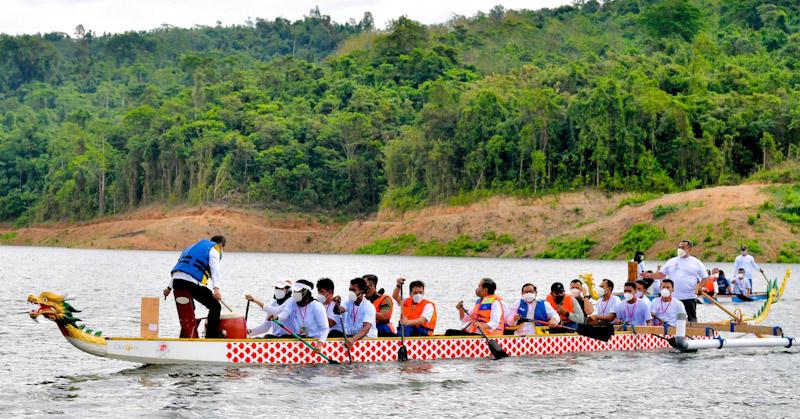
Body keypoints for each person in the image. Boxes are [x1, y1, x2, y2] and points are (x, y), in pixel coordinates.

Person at [163, 235, 226, 338]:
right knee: (215, 306)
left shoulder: (193, 247)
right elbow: (215, 270)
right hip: (189, 283)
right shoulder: (215, 249)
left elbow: (182, 268)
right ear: (221, 245)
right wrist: (216, 289)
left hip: (177, 283)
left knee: (190, 307)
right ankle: (212, 336)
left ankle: (187, 334)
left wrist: (168, 288)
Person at [642, 240, 709, 322]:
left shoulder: (696, 262)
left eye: (683, 247)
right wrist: (649, 275)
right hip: (673, 297)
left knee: (691, 320)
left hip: (689, 297)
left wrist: (699, 287)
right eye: (679, 247)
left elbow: (705, 277)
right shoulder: (671, 261)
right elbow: (661, 274)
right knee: (673, 319)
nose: (680, 249)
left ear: (689, 249)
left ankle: (691, 334)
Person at [273, 280, 330, 352]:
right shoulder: (293, 302)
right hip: (300, 337)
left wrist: (320, 344)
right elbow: (285, 314)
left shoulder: (316, 306)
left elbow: (325, 328)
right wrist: (276, 317)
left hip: (315, 339)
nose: (295, 294)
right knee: (272, 337)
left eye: (297, 292)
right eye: (294, 292)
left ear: (305, 292)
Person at [337, 277, 377, 349]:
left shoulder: (369, 306)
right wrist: (336, 304)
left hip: (367, 339)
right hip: (354, 336)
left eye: (353, 290)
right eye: (350, 290)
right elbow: (338, 311)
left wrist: (353, 340)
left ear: (361, 292)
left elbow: (366, 328)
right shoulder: (349, 302)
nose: (351, 292)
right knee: (334, 333)